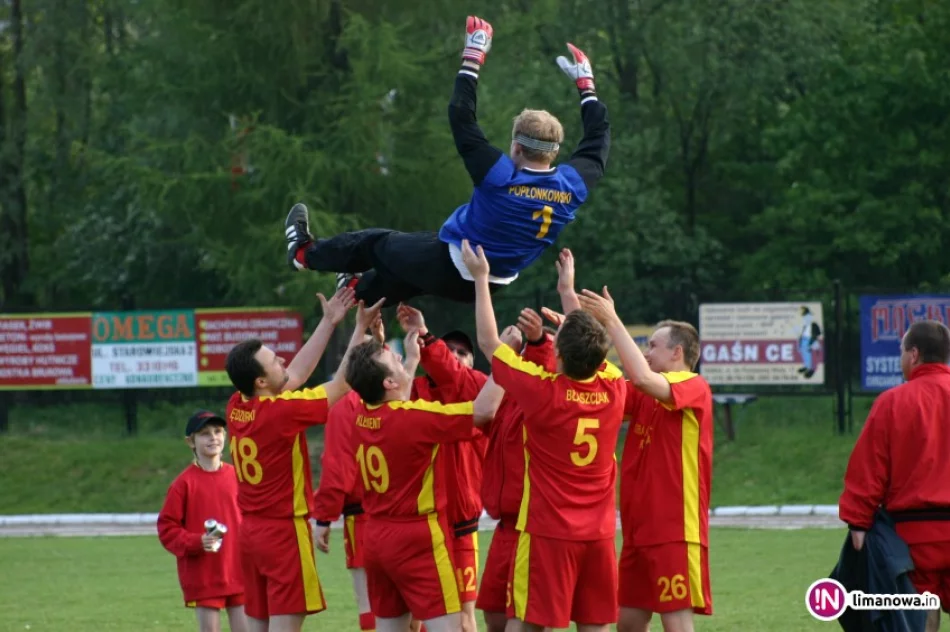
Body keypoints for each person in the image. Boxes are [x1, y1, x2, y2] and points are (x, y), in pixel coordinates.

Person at [282, 15, 610, 306]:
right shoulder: (571, 187)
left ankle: (304, 254)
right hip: (488, 285)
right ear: (554, 152)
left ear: (517, 149)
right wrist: (588, 90)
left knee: (377, 242)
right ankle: (357, 291)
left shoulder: (501, 177)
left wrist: (472, 57)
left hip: (455, 265)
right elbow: (597, 145)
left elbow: (461, 117)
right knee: (404, 268)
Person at [462, 239, 626, 632]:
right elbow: (591, 344)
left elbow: (488, 343)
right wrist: (567, 293)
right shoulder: (614, 387)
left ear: (559, 357)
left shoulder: (543, 392)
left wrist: (481, 278)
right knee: (595, 624)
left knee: (528, 622)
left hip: (548, 532)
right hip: (600, 534)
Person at [224, 287, 382, 632]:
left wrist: (328, 322)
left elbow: (293, 376)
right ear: (261, 380)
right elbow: (341, 385)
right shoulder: (280, 413)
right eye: (273, 359)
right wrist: (358, 329)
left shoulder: (238, 404)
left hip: (249, 532)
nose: (282, 359)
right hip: (283, 531)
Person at [578, 287, 713, 632]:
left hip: (673, 531)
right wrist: (577, 322)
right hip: (638, 532)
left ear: (677, 352)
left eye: (653, 345)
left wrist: (612, 320)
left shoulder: (694, 387)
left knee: (676, 624)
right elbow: (600, 385)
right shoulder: (645, 393)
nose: (646, 352)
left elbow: (639, 376)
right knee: (628, 623)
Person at [343, 335, 497, 632]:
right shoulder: (414, 418)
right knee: (454, 627)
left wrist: (412, 358)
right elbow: (484, 411)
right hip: (417, 536)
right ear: (388, 383)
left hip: (375, 535)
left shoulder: (361, 414)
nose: (399, 358)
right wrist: (505, 359)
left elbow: (396, 399)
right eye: (393, 359)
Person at [840, 320, 950, 632]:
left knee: (918, 610)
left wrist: (858, 522)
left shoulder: (892, 402)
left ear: (914, 355)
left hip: (913, 534)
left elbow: (868, 468)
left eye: (901, 351)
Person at [311, 319, 420, 632]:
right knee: (416, 606)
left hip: (364, 520)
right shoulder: (401, 399)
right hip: (409, 517)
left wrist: (323, 518)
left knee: (372, 605)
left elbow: (337, 467)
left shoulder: (345, 406)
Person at [396, 304, 488, 632]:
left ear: (473, 362)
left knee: (464, 620)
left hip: (460, 522)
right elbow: (389, 406)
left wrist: (426, 335)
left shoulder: (479, 387)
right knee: (412, 620)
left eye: (464, 352)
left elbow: (456, 376)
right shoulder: (416, 389)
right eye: (450, 350)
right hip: (420, 520)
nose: (456, 355)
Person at [475, 311, 556, 632]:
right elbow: (482, 412)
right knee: (494, 615)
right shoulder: (507, 402)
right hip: (505, 525)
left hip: (533, 526)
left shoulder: (550, 400)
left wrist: (537, 342)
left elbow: (542, 365)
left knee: (525, 619)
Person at [158, 410, 248, 632]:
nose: (213, 438)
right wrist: (196, 541)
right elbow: (167, 529)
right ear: (190, 441)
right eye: (205, 434)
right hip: (204, 574)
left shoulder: (239, 476)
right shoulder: (183, 484)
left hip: (239, 570)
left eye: (217, 432)